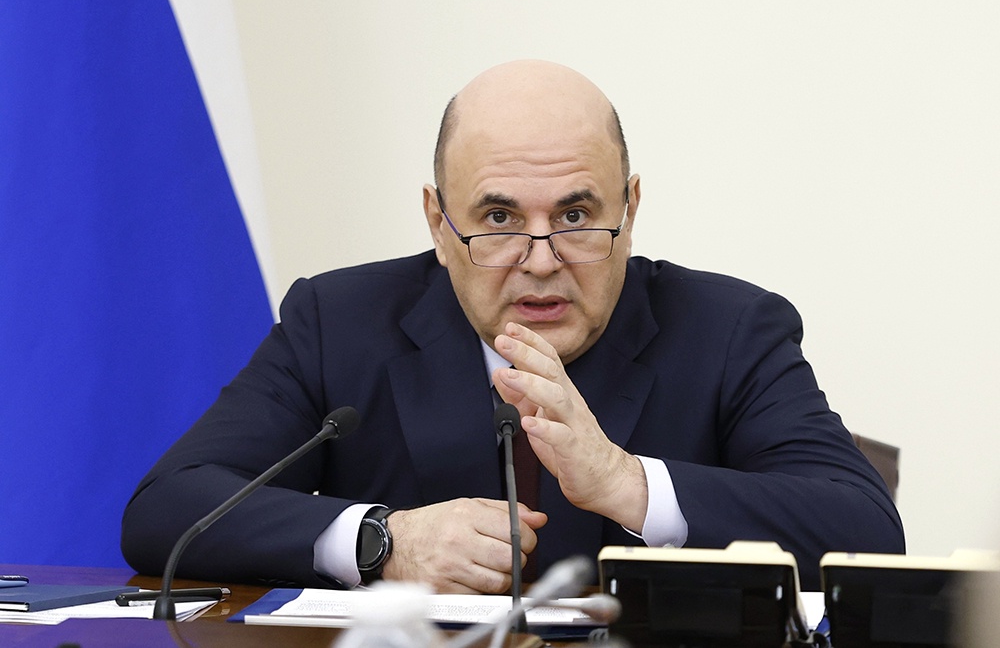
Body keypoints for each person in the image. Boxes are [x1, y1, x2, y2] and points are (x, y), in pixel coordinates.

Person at [121, 60, 904, 593]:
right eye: (498, 218)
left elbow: (868, 532)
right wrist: (383, 540)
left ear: (630, 208)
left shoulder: (730, 330)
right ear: (438, 221)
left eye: (576, 215)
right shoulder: (340, 321)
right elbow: (167, 509)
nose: (540, 260)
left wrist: (626, 483)